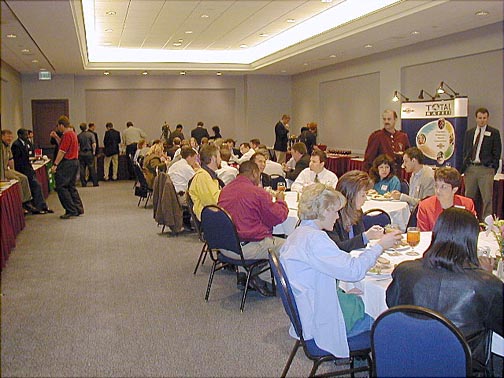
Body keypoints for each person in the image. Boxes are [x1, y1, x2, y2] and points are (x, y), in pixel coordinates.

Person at [279, 183, 401, 358]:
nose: (337, 217)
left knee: (361, 297)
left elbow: (323, 272)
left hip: (310, 310)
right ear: (324, 211)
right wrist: (380, 246)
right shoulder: (315, 240)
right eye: (335, 211)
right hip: (320, 322)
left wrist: (341, 291)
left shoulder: (299, 234)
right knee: (385, 318)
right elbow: (354, 270)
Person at [386, 207, 503, 376]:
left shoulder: (405, 271)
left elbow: (392, 305)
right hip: (460, 367)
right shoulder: (485, 284)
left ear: (437, 233)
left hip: (407, 359)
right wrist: (487, 275)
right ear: (472, 240)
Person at [218, 161, 288, 296]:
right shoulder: (257, 193)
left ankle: (245, 273)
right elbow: (278, 217)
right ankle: (266, 279)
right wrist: (281, 201)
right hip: (245, 250)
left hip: (226, 246)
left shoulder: (225, 190)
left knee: (245, 229)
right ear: (255, 173)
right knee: (288, 244)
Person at [326, 171, 385, 251]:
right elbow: (337, 248)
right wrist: (366, 236)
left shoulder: (357, 212)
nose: (366, 199)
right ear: (351, 195)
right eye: (363, 195)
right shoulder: (332, 215)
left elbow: (360, 244)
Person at [461, 107, 502, 219]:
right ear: (476, 118)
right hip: (471, 168)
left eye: (484, 118)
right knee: (468, 197)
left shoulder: (494, 133)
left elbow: (497, 152)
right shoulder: (469, 133)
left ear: (487, 118)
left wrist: (493, 167)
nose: (482, 120)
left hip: (486, 169)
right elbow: (465, 150)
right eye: (480, 118)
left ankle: (486, 222)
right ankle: (468, 219)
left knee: (487, 198)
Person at [417, 167, 476, 231]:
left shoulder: (467, 204)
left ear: (454, 189)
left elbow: (473, 230)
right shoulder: (425, 206)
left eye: (443, 187)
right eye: (436, 186)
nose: (438, 191)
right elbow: (424, 235)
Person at [11, 128, 53, 213]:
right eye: (25, 135)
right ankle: (38, 206)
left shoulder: (26, 143)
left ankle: (42, 206)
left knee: (37, 186)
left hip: (28, 169)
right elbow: (18, 161)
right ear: (20, 135)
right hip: (22, 170)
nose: (27, 136)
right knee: (36, 186)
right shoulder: (16, 145)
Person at [51, 116, 84, 219]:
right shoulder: (73, 134)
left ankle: (70, 210)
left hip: (67, 163)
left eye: (58, 126)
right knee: (71, 186)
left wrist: (55, 164)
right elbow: (63, 145)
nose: (58, 128)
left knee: (61, 187)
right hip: (75, 162)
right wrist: (57, 137)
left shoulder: (66, 135)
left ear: (61, 125)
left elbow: (62, 151)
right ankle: (78, 208)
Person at [1, 129, 41, 214]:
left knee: (23, 178)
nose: (10, 138)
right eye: (8, 136)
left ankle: (27, 201)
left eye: (11, 136)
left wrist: (13, 171)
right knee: (17, 180)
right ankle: (20, 204)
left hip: (6, 169)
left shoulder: (7, 146)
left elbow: (11, 159)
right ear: (2, 136)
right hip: (1, 171)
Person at [188, 144, 223, 220]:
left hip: (212, 213)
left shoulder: (208, 175)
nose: (221, 160)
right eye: (219, 156)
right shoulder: (203, 176)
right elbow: (212, 202)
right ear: (213, 158)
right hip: (210, 216)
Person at [77, 123, 98, 187]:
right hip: (89, 152)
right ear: (86, 127)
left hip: (81, 153)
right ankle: (95, 182)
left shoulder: (79, 135)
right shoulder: (91, 134)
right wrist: (94, 152)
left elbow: (78, 145)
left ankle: (83, 183)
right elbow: (94, 144)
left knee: (82, 168)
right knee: (91, 168)